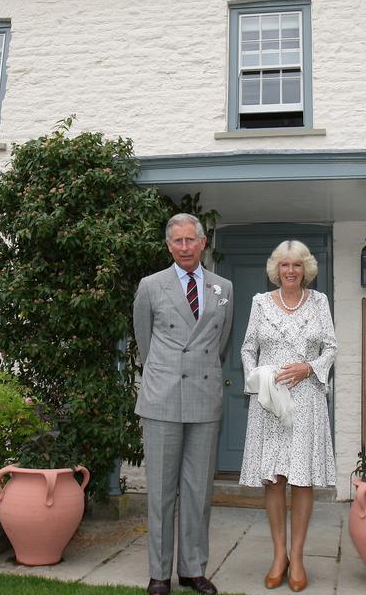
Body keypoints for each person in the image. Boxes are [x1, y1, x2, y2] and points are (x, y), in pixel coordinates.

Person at [133, 213, 234, 595]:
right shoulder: (150, 286)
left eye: (191, 240)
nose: (185, 247)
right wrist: (166, 373)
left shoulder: (223, 287)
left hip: (204, 400)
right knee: (160, 492)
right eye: (177, 241)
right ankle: (159, 574)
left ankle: (193, 569)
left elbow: (220, 343)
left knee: (198, 491)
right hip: (162, 399)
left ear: (203, 242)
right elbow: (145, 341)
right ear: (168, 245)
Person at [239, 240, 336, 593]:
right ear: (276, 269)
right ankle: (279, 556)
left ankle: (298, 556)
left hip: (307, 400)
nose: (291, 271)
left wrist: (309, 368)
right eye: (284, 265)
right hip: (269, 403)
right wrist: (257, 378)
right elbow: (248, 347)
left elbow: (331, 348)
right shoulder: (260, 303)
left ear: (306, 269)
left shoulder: (320, 302)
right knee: (274, 478)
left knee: (302, 479)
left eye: (297, 265)